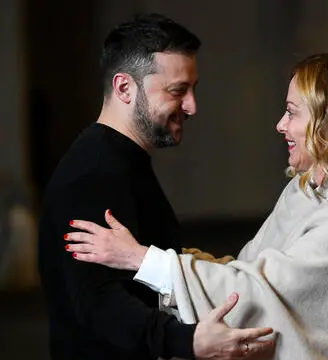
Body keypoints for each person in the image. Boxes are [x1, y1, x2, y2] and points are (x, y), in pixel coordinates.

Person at [64, 52, 328, 359]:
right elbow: (246, 270)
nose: (280, 125)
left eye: (292, 113)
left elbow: (258, 295)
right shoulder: (305, 189)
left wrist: (141, 259)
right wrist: (159, 260)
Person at [37, 13, 274, 360]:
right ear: (124, 88)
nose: (192, 106)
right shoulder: (93, 172)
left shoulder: (122, 161)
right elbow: (97, 302)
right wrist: (188, 341)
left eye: (194, 89)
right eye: (178, 91)